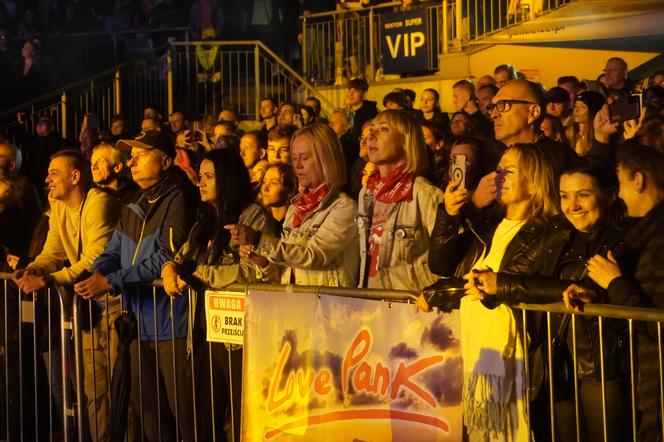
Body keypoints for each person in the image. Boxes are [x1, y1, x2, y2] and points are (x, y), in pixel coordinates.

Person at [459, 159, 630, 442]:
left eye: (583, 195)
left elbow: (584, 286)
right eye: (565, 196)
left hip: (598, 363)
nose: (572, 205)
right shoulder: (556, 233)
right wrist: (492, 284)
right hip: (555, 359)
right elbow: (527, 280)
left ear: (610, 196)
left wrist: (502, 283)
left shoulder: (621, 240)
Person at [421, 142, 560, 441]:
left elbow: (531, 286)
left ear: (535, 182)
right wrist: (449, 214)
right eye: (498, 169)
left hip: (518, 363)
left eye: (508, 170)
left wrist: (500, 285)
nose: (499, 176)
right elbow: (442, 263)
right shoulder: (486, 223)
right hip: (479, 359)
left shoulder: (550, 231)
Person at [74, 130, 199, 442]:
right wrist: (95, 274)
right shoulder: (134, 204)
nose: (132, 160)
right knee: (150, 419)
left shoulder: (181, 198)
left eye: (141, 154)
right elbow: (113, 250)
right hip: (138, 325)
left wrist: (112, 281)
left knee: (187, 419)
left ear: (166, 160)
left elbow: (166, 258)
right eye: (131, 155)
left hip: (173, 325)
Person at [161, 148, 276, 442]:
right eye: (201, 177)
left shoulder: (251, 217)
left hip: (238, 335)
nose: (201, 183)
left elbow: (252, 271)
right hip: (201, 328)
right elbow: (181, 257)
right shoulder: (204, 220)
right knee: (199, 414)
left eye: (209, 177)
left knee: (241, 418)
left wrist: (202, 275)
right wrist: (168, 270)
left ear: (228, 179)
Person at [12, 149, 122, 442]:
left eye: (54, 173)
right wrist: (31, 268)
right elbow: (53, 251)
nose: (46, 179)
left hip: (116, 309)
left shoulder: (99, 203)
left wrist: (46, 279)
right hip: (89, 308)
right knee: (93, 392)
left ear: (75, 177)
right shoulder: (58, 207)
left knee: (120, 393)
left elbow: (94, 260)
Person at [563, 140, 664, 440]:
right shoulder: (645, 232)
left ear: (639, 180)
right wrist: (602, 297)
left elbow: (656, 321)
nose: (618, 193)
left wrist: (615, 284)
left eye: (619, 182)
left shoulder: (657, 238)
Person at [229, 123, 359, 287]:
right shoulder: (295, 209)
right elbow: (286, 273)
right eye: (294, 158)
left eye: (304, 158)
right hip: (297, 306)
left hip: (329, 308)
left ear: (326, 159)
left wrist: (259, 240)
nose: (297, 166)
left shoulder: (344, 207)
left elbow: (313, 256)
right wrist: (262, 262)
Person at [357, 109, 443, 290]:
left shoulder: (425, 194)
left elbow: (447, 257)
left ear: (405, 141)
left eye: (384, 129)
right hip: (372, 304)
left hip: (411, 309)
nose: (371, 135)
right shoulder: (366, 193)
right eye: (372, 128)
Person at [259, 162, 298, 231]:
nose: (265, 188)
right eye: (264, 181)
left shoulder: (295, 223)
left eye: (273, 183)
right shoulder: (260, 220)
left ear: (289, 190)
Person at [566, 91, 605, 157]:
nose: (576, 110)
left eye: (583, 107)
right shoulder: (567, 134)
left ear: (593, 111)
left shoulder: (598, 137)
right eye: (575, 106)